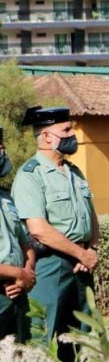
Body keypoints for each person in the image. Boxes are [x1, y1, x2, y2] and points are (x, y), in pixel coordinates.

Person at [13, 106, 99, 362]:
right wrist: (80, 253)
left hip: (81, 265)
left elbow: (90, 216)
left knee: (80, 339)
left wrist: (91, 249)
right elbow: (38, 228)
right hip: (50, 265)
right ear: (47, 136)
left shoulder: (75, 172)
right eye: (66, 130)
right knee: (41, 337)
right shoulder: (30, 175)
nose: (73, 134)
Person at [0, 127, 35, 342]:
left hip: (16, 294)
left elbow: (26, 243)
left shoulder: (6, 197)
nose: (2, 151)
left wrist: (27, 274)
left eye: (2, 146)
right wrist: (18, 273)